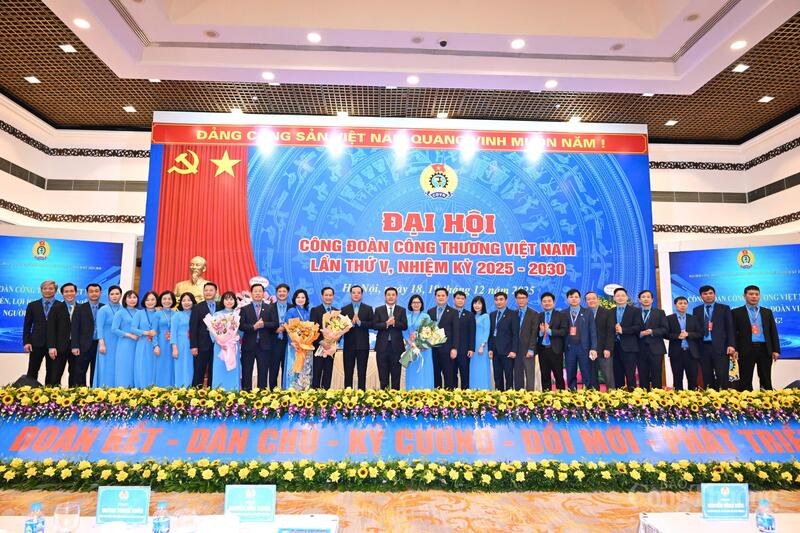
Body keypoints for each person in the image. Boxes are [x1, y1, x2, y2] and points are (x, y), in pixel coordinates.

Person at [733, 285, 780, 391]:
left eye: (756, 294)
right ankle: (746, 400)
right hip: (745, 349)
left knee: (766, 378)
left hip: (764, 349)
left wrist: (776, 350)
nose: (754, 296)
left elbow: (773, 332)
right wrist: (735, 349)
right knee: (745, 379)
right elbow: (733, 333)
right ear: (744, 296)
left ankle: (767, 399)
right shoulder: (736, 312)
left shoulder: (767, 312)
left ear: (759, 296)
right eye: (751, 294)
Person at [692, 285, 736, 390]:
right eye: (705, 294)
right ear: (701, 296)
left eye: (710, 293)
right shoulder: (696, 310)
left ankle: (724, 397)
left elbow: (730, 327)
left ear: (714, 295)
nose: (708, 296)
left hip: (721, 347)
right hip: (703, 347)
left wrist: (731, 344)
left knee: (722, 375)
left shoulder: (724, 308)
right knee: (707, 375)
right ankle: (710, 397)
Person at [22, 280, 58, 383]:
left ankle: (50, 393)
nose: (48, 291)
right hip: (36, 344)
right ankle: (30, 391)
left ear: (55, 290)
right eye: (45, 288)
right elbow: (27, 325)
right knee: (32, 371)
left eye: (51, 288)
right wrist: (26, 342)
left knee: (52, 372)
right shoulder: (32, 305)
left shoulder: (60, 306)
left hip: (54, 345)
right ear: (41, 290)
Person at [70, 283, 104, 387]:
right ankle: (82, 393)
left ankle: (95, 392)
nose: (94, 293)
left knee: (97, 371)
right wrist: (75, 346)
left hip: (99, 345)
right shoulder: (79, 308)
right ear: (87, 293)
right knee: (80, 372)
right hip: (83, 345)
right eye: (91, 291)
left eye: (96, 291)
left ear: (100, 293)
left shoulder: (104, 308)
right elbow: (74, 328)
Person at [563, 289, 597, 391]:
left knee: (586, 373)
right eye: (571, 297)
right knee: (570, 373)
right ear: (567, 299)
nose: (574, 299)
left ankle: (588, 394)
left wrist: (594, 348)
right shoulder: (563, 313)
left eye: (576, 297)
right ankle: (571, 393)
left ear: (580, 299)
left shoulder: (587, 312)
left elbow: (593, 331)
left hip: (584, 348)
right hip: (569, 348)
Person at [373, 287, 407, 390]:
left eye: (393, 295)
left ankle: (395, 397)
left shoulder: (401, 310)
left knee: (396, 376)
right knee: (383, 375)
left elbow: (404, 326)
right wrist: (386, 324)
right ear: (385, 297)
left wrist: (395, 323)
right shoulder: (379, 310)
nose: (391, 297)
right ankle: (384, 396)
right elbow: (374, 325)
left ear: (396, 297)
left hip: (396, 348)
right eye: (388, 295)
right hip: (382, 347)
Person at [341, 285, 374, 390]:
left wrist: (360, 322)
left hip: (363, 346)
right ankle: (347, 394)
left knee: (362, 373)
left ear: (362, 294)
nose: (356, 295)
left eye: (358, 293)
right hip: (348, 346)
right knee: (348, 373)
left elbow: (373, 324)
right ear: (350, 294)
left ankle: (361, 394)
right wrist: (350, 323)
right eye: (354, 292)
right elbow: (341, 327)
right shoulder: (344, 309)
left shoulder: (368, 308)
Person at [239, 283, 271, 390]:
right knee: (247, 370)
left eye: (260, 291)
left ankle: (262, 394)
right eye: (255, 291)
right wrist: (253, 327)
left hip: (264, 345)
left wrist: (264, 324)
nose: (257, 293)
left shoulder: (269, 308)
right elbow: (241, 326)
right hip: (249, 345)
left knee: (263, 371)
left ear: (263, 293)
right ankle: (246, 393)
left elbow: (274, 323)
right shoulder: (245, 309)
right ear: (251, 293)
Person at [427, 287, 460, 389]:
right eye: (438, 296)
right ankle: (437, 396)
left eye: (443, 296)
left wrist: (454, 348)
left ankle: (449, 397)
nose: (440, 297)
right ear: (435, 297)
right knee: (435, 375)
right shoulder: (430, 311)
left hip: (448, 349)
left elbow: (456, 331)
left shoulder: (453, 312)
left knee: (449, 375)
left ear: (447, 297)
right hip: (433, 349)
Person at [667, 296, 702, 391]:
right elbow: (665, 334)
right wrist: (677, 336)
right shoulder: (669, 318)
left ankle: (693, 397)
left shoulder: (693, 318)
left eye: (685, 303)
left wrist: (688, 334)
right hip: (676, 353)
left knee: (693, 379)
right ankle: (678, 399)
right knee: (677, 379)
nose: (683, 305)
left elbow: (700, 333)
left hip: (691, 353)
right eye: (680, 303)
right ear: (675, 305)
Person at [612, 287, 643, 390]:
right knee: (617, 374)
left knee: (630, 375)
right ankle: (619, 396)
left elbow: (639, 326)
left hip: (630, 347)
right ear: (614, 298)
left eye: (623, 295)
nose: (620, 298)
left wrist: (623, 330)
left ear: (627, 297)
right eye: (618, 296)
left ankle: (632, 396)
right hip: (614, 347)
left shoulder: (635, 311)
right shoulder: (610, 312)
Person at [46, 282, 77, 386]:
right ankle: (54, 396)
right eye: (66, 291)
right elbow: (50, 328)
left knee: (75, 375)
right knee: (55, 375)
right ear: (62, 294)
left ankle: (73, 394)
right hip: (59, 347)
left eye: (71, 291)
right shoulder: (56, 307)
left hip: (76, 347)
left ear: (76, 292)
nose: (69, 294)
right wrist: (51, 347)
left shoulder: (81, 308)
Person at [636, 290, 668, 389]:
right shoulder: (635, 313)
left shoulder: (660, 312)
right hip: (640, 349)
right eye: (643, 297)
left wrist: (652, 331)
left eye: (648, 297)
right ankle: (644, 396)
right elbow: (631, 329)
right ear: (639, 300)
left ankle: (657, 396)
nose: (646, 299)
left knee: (656, 374)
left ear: (652, 299)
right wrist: (639, 334)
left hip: (656, 349)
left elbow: (665, 329)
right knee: (642, 375)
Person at [488, 291, 519, 391]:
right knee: (497, 377)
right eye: (496, 300)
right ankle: (499, 396)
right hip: (495, 352)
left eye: (501, 299)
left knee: (509, 377)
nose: (498, 302)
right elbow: (491, 334)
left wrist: (514, 350)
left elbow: (515, 334)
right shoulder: (492, 315)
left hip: (508, 352)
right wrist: (490, 349)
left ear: (506, 301)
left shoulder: (513, 314)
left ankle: (509, 397)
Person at [210, 291, 241, 390]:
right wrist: (220, 342)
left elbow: (241, 331)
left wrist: (236, 336)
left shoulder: (238, 314)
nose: (229, 301)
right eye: (226, 299)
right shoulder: (216, 314)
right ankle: (218, 391)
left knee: (233, 368)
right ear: (222, 301)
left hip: (233, 345)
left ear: (235, 301)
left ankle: (234, 390)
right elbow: (212, 332)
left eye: (231, 299)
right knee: (219, 368)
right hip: (220, 347)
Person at [189, 282, 218, 387]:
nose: (208, 292)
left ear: (215, 292)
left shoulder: (221, 305)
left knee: (214, 369)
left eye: (211, 290)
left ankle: (213, 391)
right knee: (199, 370)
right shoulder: (197, 307)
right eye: (206, 290)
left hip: (218, 345)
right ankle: (196, 393)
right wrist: (193, 346)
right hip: (201, 345)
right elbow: (193, 328)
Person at [585, 291, 615, 390]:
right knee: (592, 377)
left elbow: (610, 332)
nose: (591, 301)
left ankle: (612, 396)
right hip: (589, 351)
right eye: (588, 299)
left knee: (608, 377)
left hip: (604, 350)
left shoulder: (607, 313)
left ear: (598, 299)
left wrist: (608, 348)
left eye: (593, 298)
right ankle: (594, 396)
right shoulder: (584, 313)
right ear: (586, 301)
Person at [283, 289, 312, 390]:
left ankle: (305, 390)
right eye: (298, 297)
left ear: (306, 299)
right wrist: (293, 343)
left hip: (306, 346)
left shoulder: (308, 312)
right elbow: (288, 329)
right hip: (294, 346)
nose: (300, 299)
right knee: (293, 368)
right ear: (294, 299)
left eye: (303, 297)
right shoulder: (291, 311)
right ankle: (291, 391)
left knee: (306, 369)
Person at [94, 285, 122, 388]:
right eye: (112, 294)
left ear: (121, 295)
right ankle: (103, 389)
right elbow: (99, 328)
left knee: (118, 366)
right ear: (108, 295)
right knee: (106, 367)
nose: (114, 296)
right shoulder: (103, 310)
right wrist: (101, 344)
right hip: (106, 343)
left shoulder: (124, 309)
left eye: (117, 294)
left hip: (120, 343)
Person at [537, 292, 567, 391]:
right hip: (542, 350)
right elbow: (534, 333)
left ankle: (561, 396)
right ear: (541, 303)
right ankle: (546, 397)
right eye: (544, 301)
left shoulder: (561, 315)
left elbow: (563, 331)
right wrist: (541, 332)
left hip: (555, 350)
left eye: (549, 301)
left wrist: (549, 331)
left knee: (558, 375)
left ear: (554, 302)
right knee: (545, 376)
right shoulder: (539, 316)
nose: (547, 303)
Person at [132, 291, 161, 388]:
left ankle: (154, 389)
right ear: (144, 301)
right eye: (148, 300)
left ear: (156, 301)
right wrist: (146, 333)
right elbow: (133, 329)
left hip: (157, 344)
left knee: (155, 367)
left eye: (153, 299)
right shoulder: (139, 313)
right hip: (143, 343)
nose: (150, 302)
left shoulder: (160, 313)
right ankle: (141, 388)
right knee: (142, 366)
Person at [311, 286, 338, 389]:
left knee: (328, 372)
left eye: (330, 295)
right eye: (326, 295)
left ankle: (326, 394)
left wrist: (335, 339)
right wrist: (322, 342)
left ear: (333, 296)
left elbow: (339, 329)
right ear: (322, 296)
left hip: (331, 347)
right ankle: (315, 394)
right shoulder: (315, 310)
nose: (328, 297)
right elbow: (313, 329)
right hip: (319, 346)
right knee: (317, 372)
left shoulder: (337, 312)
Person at [404, 294, 433, 390]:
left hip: (424, 349)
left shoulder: (426, 316)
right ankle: (411, 391)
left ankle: (425, 392)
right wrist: (410, 341)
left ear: (421, 304)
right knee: (412, 370)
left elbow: (429, 331)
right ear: (410, 304)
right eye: (414, 302)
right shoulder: (407, 317)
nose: (416, 304)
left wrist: (422, 344)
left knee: (423, 370)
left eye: (418, 302)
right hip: (411, 347)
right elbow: (404, 331)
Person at [264, 283, 290, 389]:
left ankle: (286, 390)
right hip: (273, 342)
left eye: (284, 291)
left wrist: (286, 328)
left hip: (288, 343)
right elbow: (265, 324)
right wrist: (276, 329)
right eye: (280, 291)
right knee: (273, 368)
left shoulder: (292, 308)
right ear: (276, 293)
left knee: (287, 368)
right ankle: (273, 391)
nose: (282, 293)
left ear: (288, 293)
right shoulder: (269, 308)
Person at [111, 290, 139, 388]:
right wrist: (129, 335)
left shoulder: (140, 312)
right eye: (129, 297)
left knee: (136, 367)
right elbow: (114, 329)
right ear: (125, 299)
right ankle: (123, 390)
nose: (132, 300)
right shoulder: (120, 313)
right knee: (125, 367)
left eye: (134, 297)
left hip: (138, 344)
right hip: (125, 344)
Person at [513, 289, 539, 391]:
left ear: (527, 299)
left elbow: (534, 333)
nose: (521, 300)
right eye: (519, 298)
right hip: (516, 350)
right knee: (517, 375)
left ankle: (530, 397)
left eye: (523, 298)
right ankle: (519, 396)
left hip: (528, 350)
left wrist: (531, 349)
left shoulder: (534, 314)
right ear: (516, 299)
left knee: (530, 376)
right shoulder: (513, 313)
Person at [171, 292, 195, 388]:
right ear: (180, 302)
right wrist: (174, 348)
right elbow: (173, 332)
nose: (186, 302)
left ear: (193, 302)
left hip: (193, 344)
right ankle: (180, 388)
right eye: (184, 300)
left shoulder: (195, 314)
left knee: (191, 366)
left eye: (189, 300)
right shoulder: (177, 315)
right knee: (180, 366)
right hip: (180, 343)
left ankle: (190, 388)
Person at [452, 291, 476, 389]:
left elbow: (472, 333)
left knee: (465, 374)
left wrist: (471, 349)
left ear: (465, 300)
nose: (460, 300)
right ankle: (452, 394)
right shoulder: (449, 313)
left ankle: (465, 394)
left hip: (464, 350)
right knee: (452, 374)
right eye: (458, 298)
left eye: (462, 298)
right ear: (454, 300)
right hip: (451, 350)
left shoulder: (470, 315)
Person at [470, 296, 492, 390]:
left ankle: (484, 389)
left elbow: (486, 332)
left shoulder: (485, 316)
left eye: (479, 303)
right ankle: (473, 389)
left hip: (481, 346)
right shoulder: (471, 316)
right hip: (472, 346)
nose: (477, 305)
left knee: (482, 369)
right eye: (475, 303)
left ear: (483, 305)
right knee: (473, 369)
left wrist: (482, 345)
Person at [155, 291, 176, 387]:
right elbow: (154, 331)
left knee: (171, 366)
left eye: (169, 299)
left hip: (173, 343)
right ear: (161, 300)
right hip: (161, 343)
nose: (167, 301)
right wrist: (155, 345)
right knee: (161, 365)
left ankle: (171, 388)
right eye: (164, 299)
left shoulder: (175, 313)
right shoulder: (157, 314)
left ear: (173, 300)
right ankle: (159, 388)